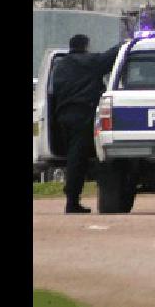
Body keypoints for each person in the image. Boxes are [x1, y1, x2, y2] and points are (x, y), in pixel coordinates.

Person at [50, 34, 122, 214]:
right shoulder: (89, 62)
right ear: (86, 46)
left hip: (63, 117)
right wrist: (129, 41)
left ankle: (73, 198)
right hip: (82, 116)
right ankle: (72, 201)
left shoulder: (60, 66)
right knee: (78, 159)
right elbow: (110, 56)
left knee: (74, 158)